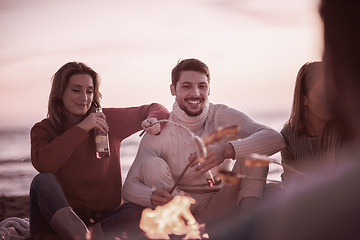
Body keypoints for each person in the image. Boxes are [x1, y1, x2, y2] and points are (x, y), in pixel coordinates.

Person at [209, 0, 360, 239]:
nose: (330, 100)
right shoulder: (290, 134)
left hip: (321, 203)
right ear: (305, 99)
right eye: (321, 96)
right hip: (309, 200)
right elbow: (291, 180)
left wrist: (227, 149)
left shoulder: (343, 132)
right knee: (270, 192)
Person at [122, 58, 285, 225]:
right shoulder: (159, 130)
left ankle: (248, 229)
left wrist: (227, 150)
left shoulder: (221, 116)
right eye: (186, 86)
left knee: (258, 161)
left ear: (209, 89)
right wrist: (150, 196)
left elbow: (275, 138)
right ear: (173, 89)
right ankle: (184, 234)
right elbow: (129, 187)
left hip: (220, 204)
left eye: (202, 86)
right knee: (151, 164)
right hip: (180, 213)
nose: (196, 93)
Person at [29, 61, 169, 239]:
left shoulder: (107, 120)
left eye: (89, 91)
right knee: (42, 181)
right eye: (76, 90)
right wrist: (82, 128)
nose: (84, 97)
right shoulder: (44, 129)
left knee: (141, 210)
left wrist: (153, 120)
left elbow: (156, 108)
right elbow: (44, 164)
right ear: (60, 93)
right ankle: (80, 235)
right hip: (60, 222)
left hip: (104, 222)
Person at [280, 61, 342, 185]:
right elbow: (292, 186)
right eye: (320, 96)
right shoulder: (288, 137)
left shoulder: (344, 129)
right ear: (304, 99)